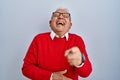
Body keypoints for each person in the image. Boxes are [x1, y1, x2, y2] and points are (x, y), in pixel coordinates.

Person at [22, 8, 92, 80]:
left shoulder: (77, 40)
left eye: (65, 16)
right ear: (50, 23)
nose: (61, 17)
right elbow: (26, 68)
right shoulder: (38, 39)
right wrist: (51, 77)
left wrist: (80, 63)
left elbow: (86, 73)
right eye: (56, 15)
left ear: (70, 25)